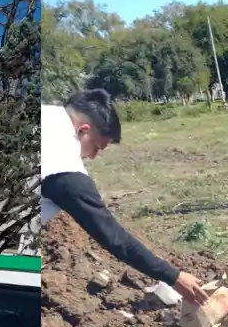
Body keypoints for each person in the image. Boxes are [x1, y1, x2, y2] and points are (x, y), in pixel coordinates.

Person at [39, 89, 210, 306]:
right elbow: (114, 238)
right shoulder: (65, 168)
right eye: (96, 147)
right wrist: (174, 277)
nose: (92, 156)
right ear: (83, 130)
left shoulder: (46, 113)